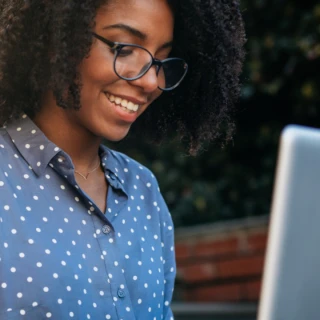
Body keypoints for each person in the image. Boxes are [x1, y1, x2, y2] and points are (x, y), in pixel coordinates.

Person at [0, 0, 245, 319]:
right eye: (123, 48)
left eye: (160, 60)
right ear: (54, 40)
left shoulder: (143, 190)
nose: (150, 82)